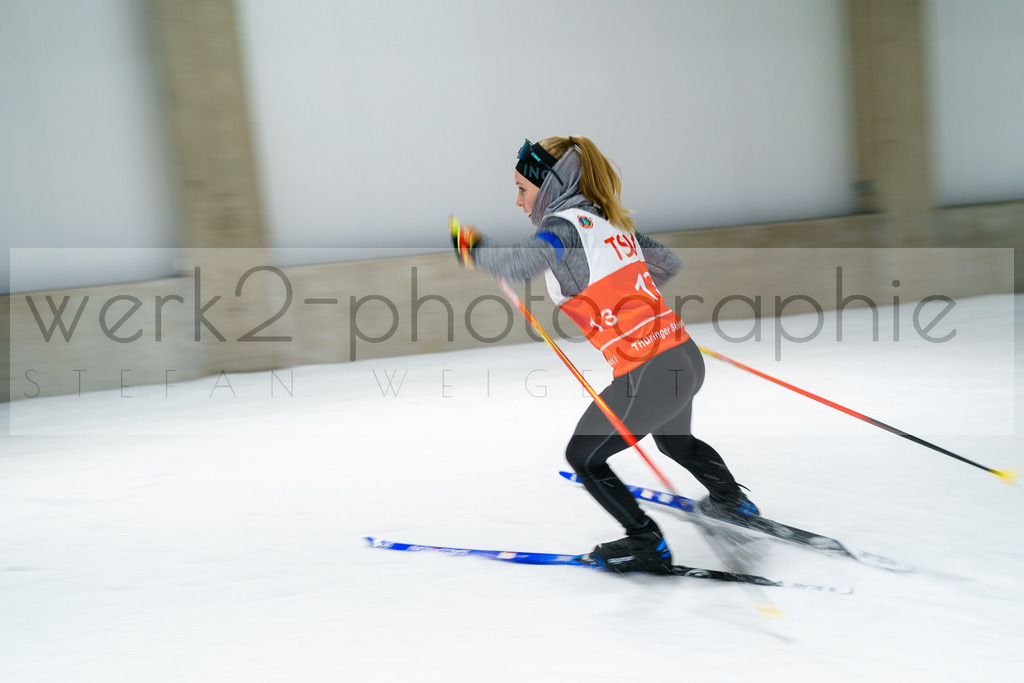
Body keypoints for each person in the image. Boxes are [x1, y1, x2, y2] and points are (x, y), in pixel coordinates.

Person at [450, 136, 758, 574]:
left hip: (651, 373)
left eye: (523, 189)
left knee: (584, 458)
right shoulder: (608, 222)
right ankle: (732, 502)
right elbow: (668, 264)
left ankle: (645, 543)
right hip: (683, 358)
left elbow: (519, 266)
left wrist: (476, 250)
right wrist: (634, 306)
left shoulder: (562, 229)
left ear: (550, 185)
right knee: (675, 441)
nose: (519, 202)